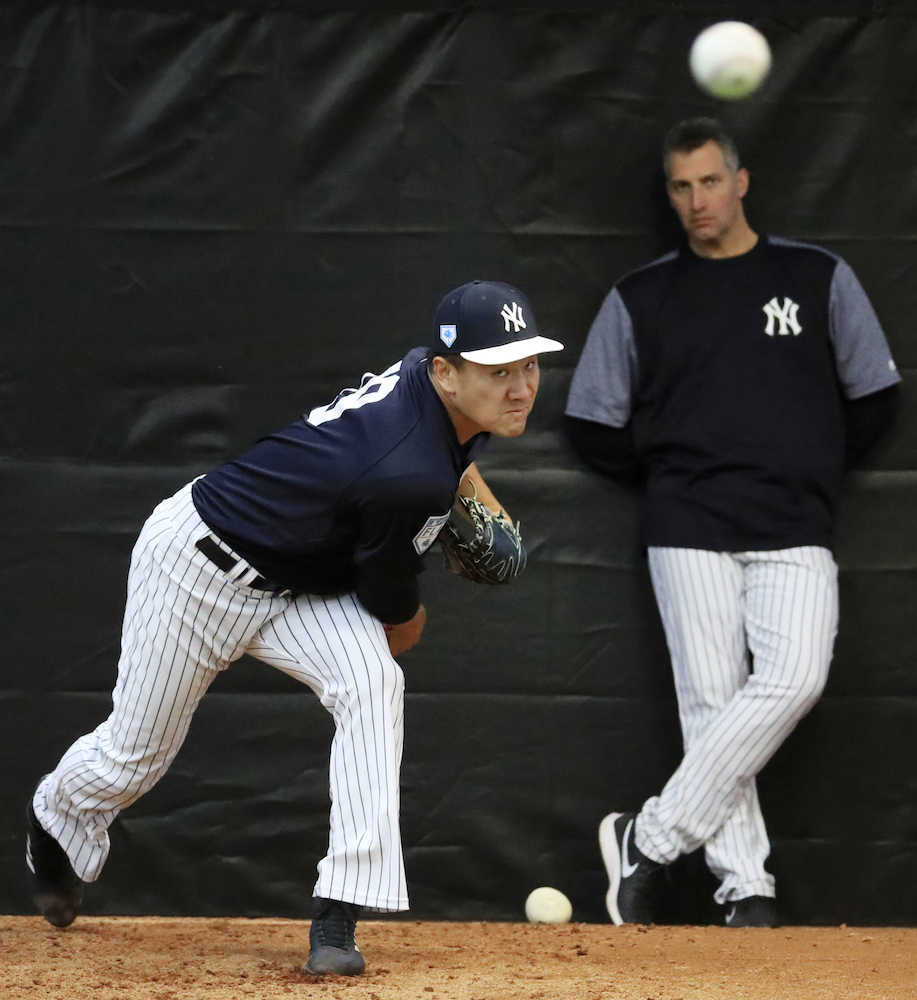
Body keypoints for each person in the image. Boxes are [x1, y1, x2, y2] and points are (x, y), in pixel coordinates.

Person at [26, 279, 563, 974]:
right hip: (198, 566)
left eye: (528, 364)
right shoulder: (405, 470)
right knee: (135, 756)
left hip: (299, 580)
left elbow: (448, 462)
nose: (520, 386)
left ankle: (337, 916)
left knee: (372, 686)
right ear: (445, 373)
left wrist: (465, 484)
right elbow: (394, 607)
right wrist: (407, 621)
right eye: (499, 371)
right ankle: (58, 814)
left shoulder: (426, 383)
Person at [565, 118, 900, 928]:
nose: (695, 201)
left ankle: (647, 837)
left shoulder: (814, 276)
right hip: (686, 523)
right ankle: (744, 888)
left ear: (740, 182)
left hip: (793, 522)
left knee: (792, 680)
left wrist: (805, 460)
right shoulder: (641, 296)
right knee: (711, 706)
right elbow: (591, 419)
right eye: (680, 187)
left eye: (709, 182)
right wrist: (678, 465)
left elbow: (875, 395)